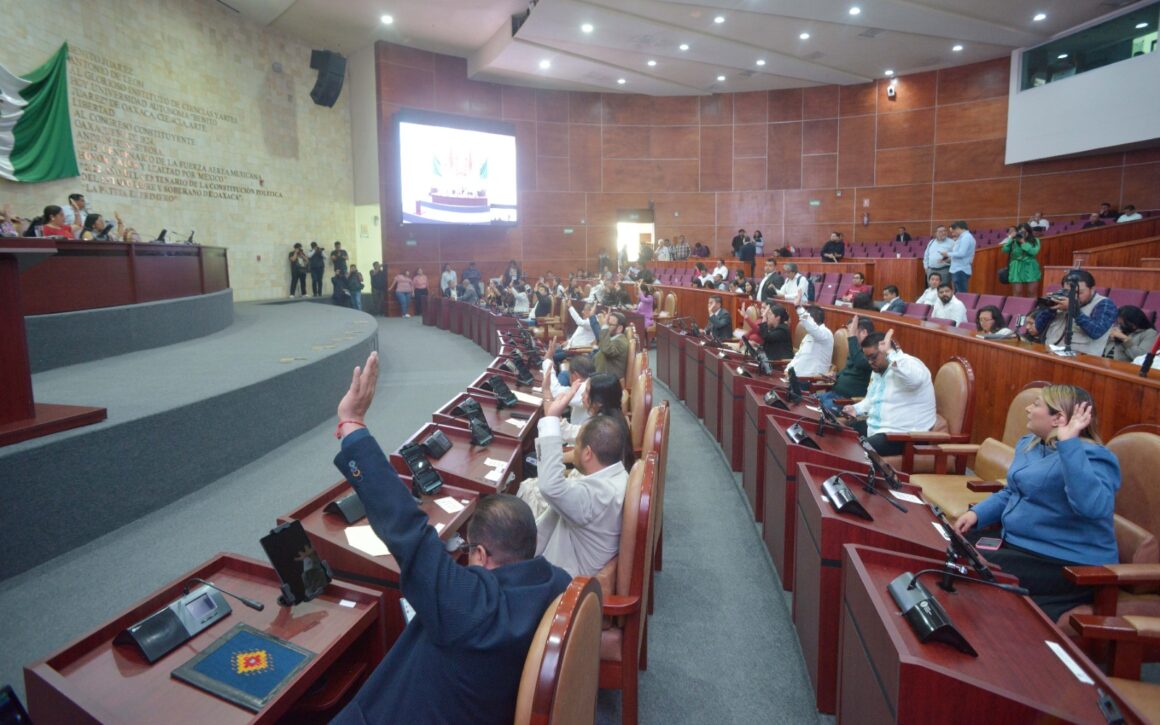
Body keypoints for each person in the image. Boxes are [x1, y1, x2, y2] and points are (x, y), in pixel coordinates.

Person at [329, 352, 571, 725]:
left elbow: (407, 528)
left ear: (480, 554)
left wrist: (352, 424)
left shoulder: (470, 607)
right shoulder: (558, 583)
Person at [952, 385, 1119, 621]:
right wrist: (978, 514)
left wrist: (1069, 445)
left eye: (1037, 404)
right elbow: (1013, 491)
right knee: (951, 545)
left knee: (970, 566)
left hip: (1065, 561)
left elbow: (1091, 508)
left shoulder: (1094, 456)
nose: (1028, 409)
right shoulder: (1030, 444)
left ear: (1058, 418)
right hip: (1017, 543)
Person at [516, 382, 630, 578]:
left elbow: (551, 487)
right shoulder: (617, 476)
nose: (572, 450)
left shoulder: (599, 495)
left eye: (576, 445)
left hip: (565, 580)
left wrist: (551, 418)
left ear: (588, 453)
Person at [841, 330, 936, 456]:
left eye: (873, 357)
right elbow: (871, 400)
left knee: (856, 451)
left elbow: (914, 380)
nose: (870, 362)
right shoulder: (877, 370)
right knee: (840, 434)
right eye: (867, 358)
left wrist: (890, 353)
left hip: (903, 436)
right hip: (878, 430)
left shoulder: (910, 364)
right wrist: (855, 409)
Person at [1030, 269, 1117, 357]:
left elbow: (1096, 331)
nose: (1073, 296)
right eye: (1068, 292)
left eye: (1079, 292)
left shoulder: (1105, 304)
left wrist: (1074, 310)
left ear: (1092, 289)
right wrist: (1050, 308)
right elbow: (1038, 328)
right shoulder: (1061, 298)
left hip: (1081, 359)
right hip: (1049, 353)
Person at [818, 316, 874, 413]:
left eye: (852, 331)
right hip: (835, 394)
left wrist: (852, 338)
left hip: (848, 401)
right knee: (810, 400)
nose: (849, 335)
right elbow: (848, 368)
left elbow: (860, 363)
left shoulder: (872, 353)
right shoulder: (856, 348)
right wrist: (836, 376)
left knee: (823, 409)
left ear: (864, 333)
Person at [786, 293, 833, 377]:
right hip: (795, 377)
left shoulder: (826, 333)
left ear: (812, 319)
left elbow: (809, 323)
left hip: (812, 380)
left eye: (807, 318)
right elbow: (799, 356)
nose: (803, 322)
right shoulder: (808, 335)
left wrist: (798, 307)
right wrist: (787, 369)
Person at [1000, 222, 1041, 298]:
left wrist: (1023, 242)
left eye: (1024, 232)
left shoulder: (1035, 240)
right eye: (1020, 232)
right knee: (1017, 292)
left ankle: (1032, 306)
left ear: (1029, 232)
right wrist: (1010, 238)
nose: (1022, 233)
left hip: (1030, 266)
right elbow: (1004, 249)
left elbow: (1034, 252)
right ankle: (1018, 305)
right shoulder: (1014, 241)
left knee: (1032, 291)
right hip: (1016, 266)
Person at [594, 311, 629, 380]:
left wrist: (604, 326)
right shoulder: (613, 338)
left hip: (607, 379)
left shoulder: (620, 342)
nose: (607, 326)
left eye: (609, 324)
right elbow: (603, 346)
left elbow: (606, 349)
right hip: (600, 373)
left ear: (619, 328)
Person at [947, 221, 976, 293]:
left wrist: (947, 254)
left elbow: (962, 253)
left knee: (961, 294)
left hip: (960, 269)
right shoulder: (962, 238)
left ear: (958, 228)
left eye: (953, 231)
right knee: (957, 293)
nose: (953, 234)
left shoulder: (966, 238)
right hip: (957, 269)